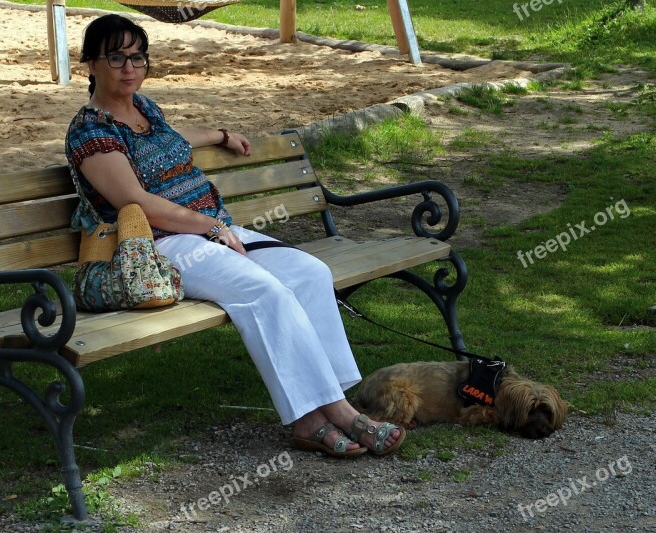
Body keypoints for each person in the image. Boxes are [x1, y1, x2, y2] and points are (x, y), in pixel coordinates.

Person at [65, 14, 405, 457]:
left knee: (308, 272)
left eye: (138, 57)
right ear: (90, 64)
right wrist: (212, 226)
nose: (130, 67)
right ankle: (334, 415)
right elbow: (137, 200)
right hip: (161, 246)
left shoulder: (143, 109)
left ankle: (320, 409)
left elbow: (169, 139)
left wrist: (220, 135)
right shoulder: (91, 131)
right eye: (116, 57)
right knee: (265, 292)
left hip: (208, 230)